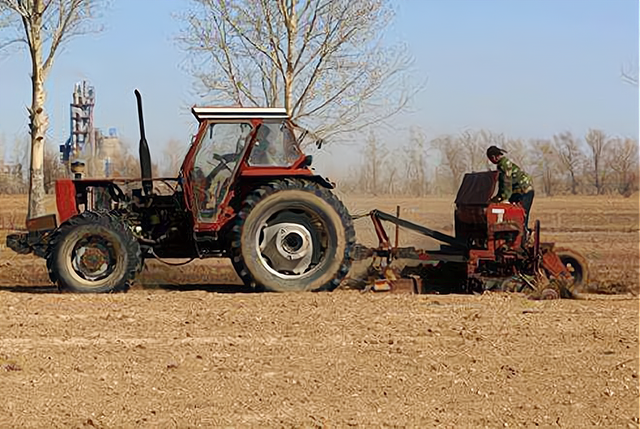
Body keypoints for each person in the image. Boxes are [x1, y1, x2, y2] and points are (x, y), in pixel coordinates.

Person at [486, 145, 535, 234]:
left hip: (524, 192)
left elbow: (506, 184)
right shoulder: (501, 165)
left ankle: (523, 238)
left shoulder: (504, 165)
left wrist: (504, 198)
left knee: (520, 215)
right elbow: (502, 186)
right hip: (516, 192)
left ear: (493, 157)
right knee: (510, 215)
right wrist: (498, 198)